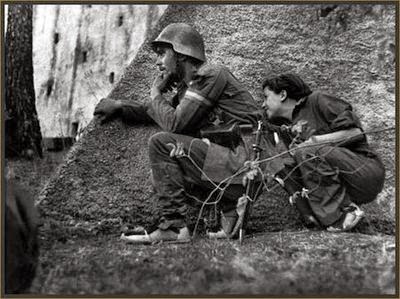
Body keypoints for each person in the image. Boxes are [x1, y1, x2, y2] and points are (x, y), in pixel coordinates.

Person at [94, 23, 268, 243]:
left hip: (249, 161)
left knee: (161, 144)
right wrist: (120, 106)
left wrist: (155, 92)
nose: (158, 62)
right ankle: (228, 210)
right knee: (168, 168)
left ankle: (175, 227)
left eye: (162, 54)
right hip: (234, 165)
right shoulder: (190, 90)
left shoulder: (211, 75)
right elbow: (162, 113)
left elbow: (174, 123)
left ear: (181, 54)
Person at [261, 73, 385, 232]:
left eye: (266, 97)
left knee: (306, 150)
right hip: (340, 182)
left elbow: (354, 133)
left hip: (363, 172)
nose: (263, 104)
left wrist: (312, 143)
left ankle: (344, 214)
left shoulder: (317, 100)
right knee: (285, 167)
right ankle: (327, 221)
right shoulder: (285, 128)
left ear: (283, 94)